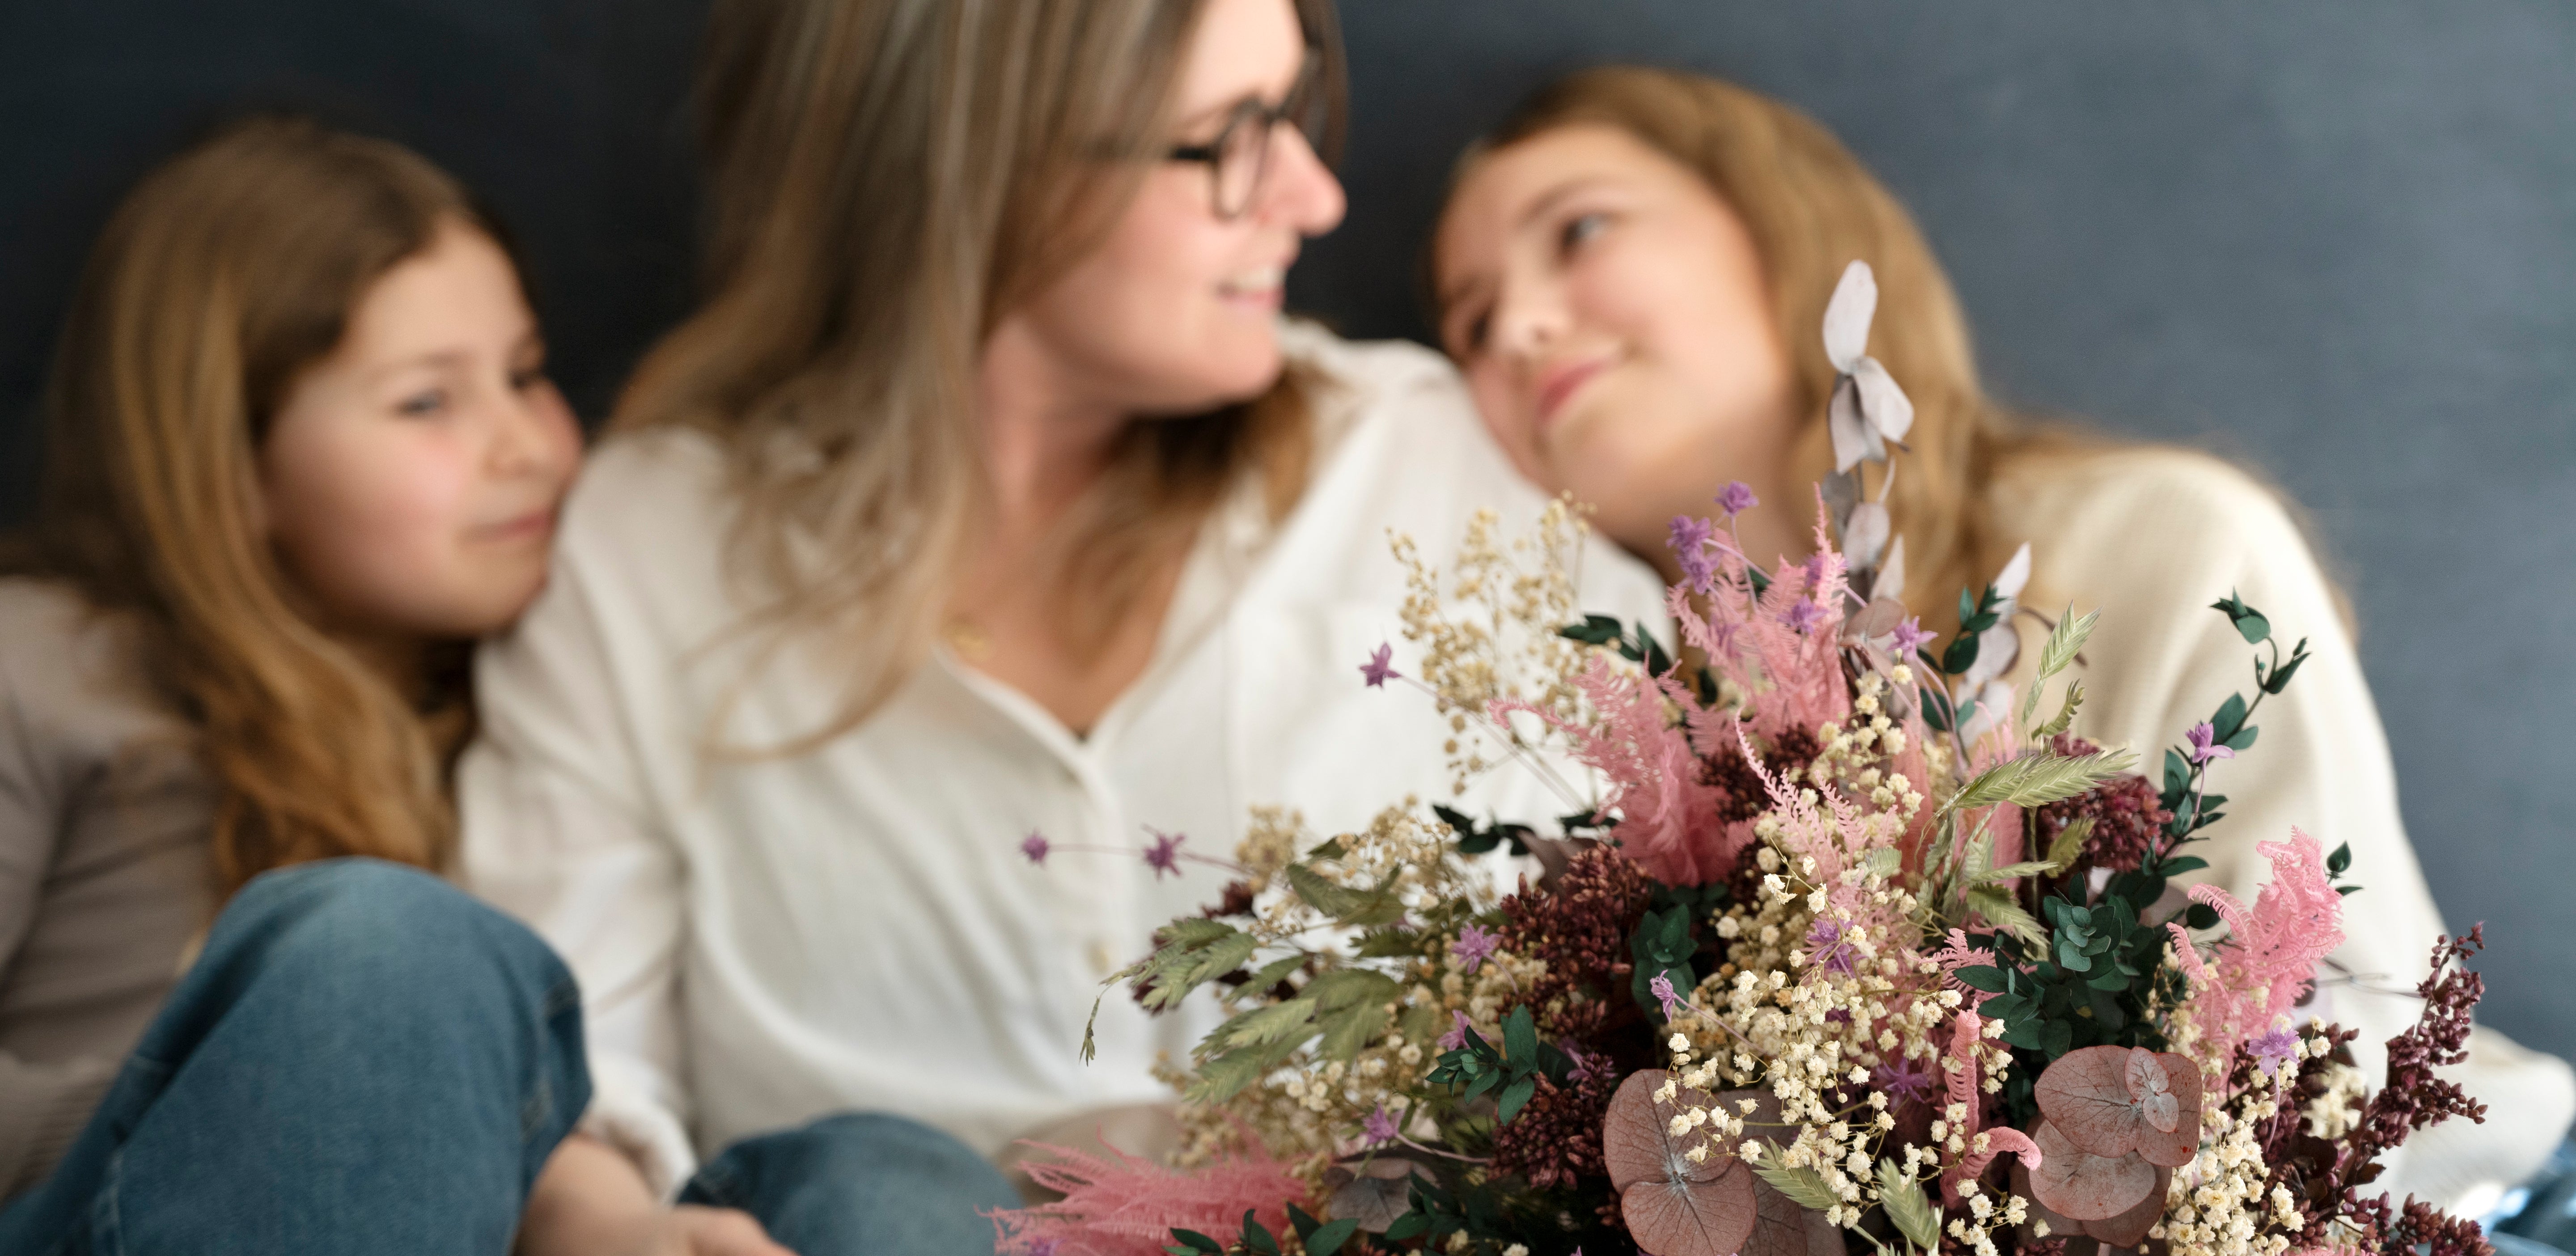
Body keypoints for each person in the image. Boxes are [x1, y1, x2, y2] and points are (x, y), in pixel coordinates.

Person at [461, 0, 1662, 1251]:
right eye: (1231, 138)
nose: (1313, 199)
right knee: (874, 1188)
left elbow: (1705, 879)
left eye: (1294, 113)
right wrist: (606, 1226)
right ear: (986, 165)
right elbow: (565, 1062)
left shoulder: (1413, 467)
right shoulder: (651, 549)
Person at [1427, 64, 2573, 1213]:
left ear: (1780, 220)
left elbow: (2327, 1036)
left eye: (1580, 231)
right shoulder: (1640, 781)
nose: (1521, 328)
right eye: (1471, 322)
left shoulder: (2159, 543)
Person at [0, 118, 588, 1253]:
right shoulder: (45, 665)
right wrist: (229, 1085)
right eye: (429, 402)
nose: (527, 446)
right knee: (385, 952)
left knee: (862, 1158)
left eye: (526, 375)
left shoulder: (540, 714)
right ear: (235, 464)